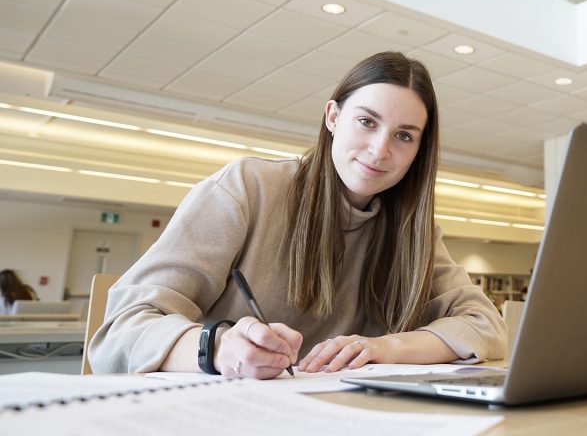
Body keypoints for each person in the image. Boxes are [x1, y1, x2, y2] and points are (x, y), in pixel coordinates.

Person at [90, 52, 506, 378]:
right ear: (333, 117)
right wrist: (218, 350)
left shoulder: (415, 231)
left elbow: (485, 324)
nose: (381, 150)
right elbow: (120, 330)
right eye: (366, 121)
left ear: (419, 150)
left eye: (404, 136)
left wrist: (385, 347)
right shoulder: (246, 189)